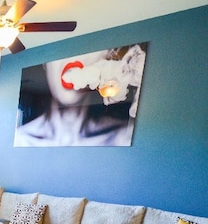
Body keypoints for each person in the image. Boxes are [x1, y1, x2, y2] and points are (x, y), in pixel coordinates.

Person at [14, 44, 146, 147]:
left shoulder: (123, 137)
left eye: (92, 43)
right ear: (45, 64)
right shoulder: (21, 138)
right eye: (60, 47)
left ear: (107, 56)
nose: (73, 56)